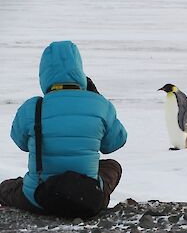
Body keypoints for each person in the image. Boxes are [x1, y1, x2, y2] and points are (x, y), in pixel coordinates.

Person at [0, 41, 127, 217]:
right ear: (79, 70)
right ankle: (93, 200)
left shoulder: (33, 107)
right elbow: (115, 142)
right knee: (112, 166)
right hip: (86, 196)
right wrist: (95, 96)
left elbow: (20, 142)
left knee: (8, 187)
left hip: (38, 198)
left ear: (44, 74)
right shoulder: (100, 104)